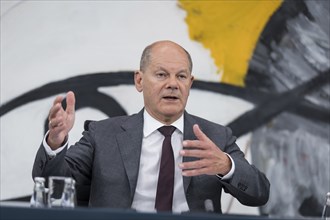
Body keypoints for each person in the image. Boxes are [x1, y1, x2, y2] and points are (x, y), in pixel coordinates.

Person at [32, 40, 270, 213]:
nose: (173, 84)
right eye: (161, 74)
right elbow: (53, 185)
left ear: (190, 83)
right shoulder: (102, 134)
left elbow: (260, 193)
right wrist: (55, 142)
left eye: (181, 76)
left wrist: (227, 165)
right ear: (139, 80)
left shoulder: (215, 137)